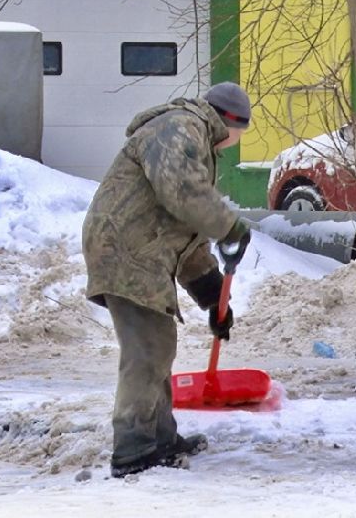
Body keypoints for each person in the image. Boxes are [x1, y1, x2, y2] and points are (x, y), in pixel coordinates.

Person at [82, 81, 255, 477]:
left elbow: (182, 225)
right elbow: (182, 192)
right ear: (231, 121)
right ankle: (133, 448)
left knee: (157, 345)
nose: (236, 142)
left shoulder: (191, 137)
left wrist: (212, 294)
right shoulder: (181, 127)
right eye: (241, 134)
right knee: (145, 351)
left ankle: (160, 438)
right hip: (126, 249)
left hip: (140, 248)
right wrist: (229, 227)